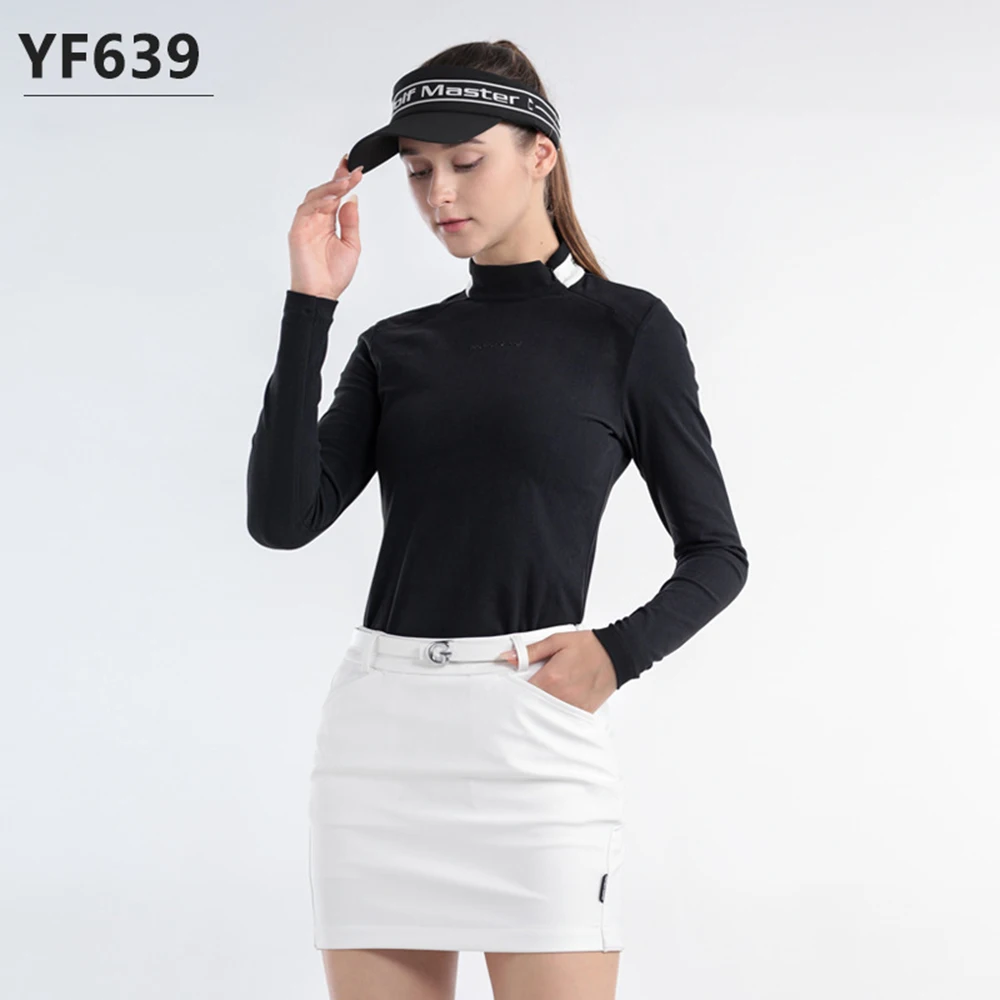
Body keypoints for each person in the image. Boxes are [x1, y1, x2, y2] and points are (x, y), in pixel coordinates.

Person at [246, 40, 749, 1000]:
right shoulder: (397, 347)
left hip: (535, 744)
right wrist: (309, 303)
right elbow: (281, 519)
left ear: (540, 155)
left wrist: (617, 653)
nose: (440, 194)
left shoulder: (628, 333)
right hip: (379, 745)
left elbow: (717, 554)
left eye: (466, 162)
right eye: (419, 171)